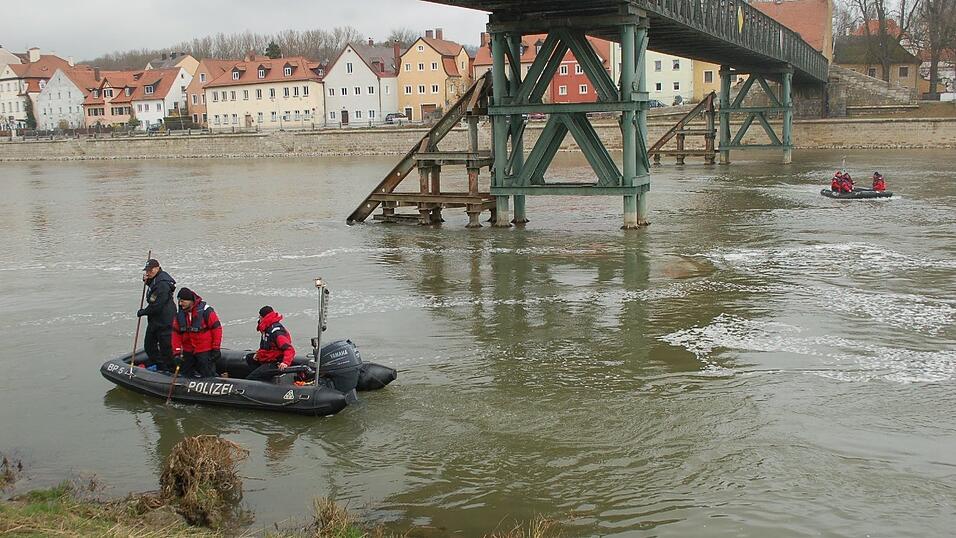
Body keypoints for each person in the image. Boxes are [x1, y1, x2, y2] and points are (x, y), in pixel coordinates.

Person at [171, 288, 222, 378]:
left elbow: (217, 329)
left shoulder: (206, 311)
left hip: (204, 349)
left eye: (182, 301)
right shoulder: (180, 315)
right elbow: (176, 335)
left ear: (190, 301)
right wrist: (177, 353)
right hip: (188, 350)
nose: (180, 304)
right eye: (179, 301)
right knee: (186, 373)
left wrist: (216, 348)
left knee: (208, 374)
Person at [136, 259, 176, 370]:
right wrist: (148, 282)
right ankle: (161, 366)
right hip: (155, 321)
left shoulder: (163, 284)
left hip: (165, 321)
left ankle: (171, 370)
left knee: (166, 349)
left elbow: (157, 304)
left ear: (157, 268)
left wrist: (144, 312)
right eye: (147, 270)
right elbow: (153, 290)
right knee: (149, 346)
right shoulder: (155, 280)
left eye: (150, 270)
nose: (148, 273)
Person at [247, 306, 295, 381]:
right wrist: (258, 354)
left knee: (251, 378)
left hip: (276, 361)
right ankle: (262, 377)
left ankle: (261, 380)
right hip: (268, 357)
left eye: (260, 317)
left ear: (262, 317)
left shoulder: (276, 332)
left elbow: (289, 349)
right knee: (249, 358)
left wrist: (285, 362)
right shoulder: (266, 329)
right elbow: (265, 347)